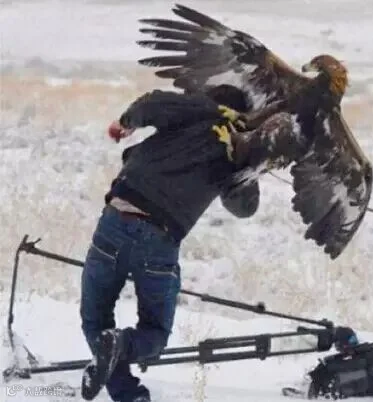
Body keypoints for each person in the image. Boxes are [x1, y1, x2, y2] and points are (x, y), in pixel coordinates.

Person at [80, 85, 261, 402]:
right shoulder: (235, 148)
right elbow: (244, 208)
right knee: (155, 333)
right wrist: (248, 163)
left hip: (115, 221)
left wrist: (125, 122)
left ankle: (124, 382)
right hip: (160, 239)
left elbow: (152, 103)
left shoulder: (195, 111)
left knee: (95, 318)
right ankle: (124, 369)